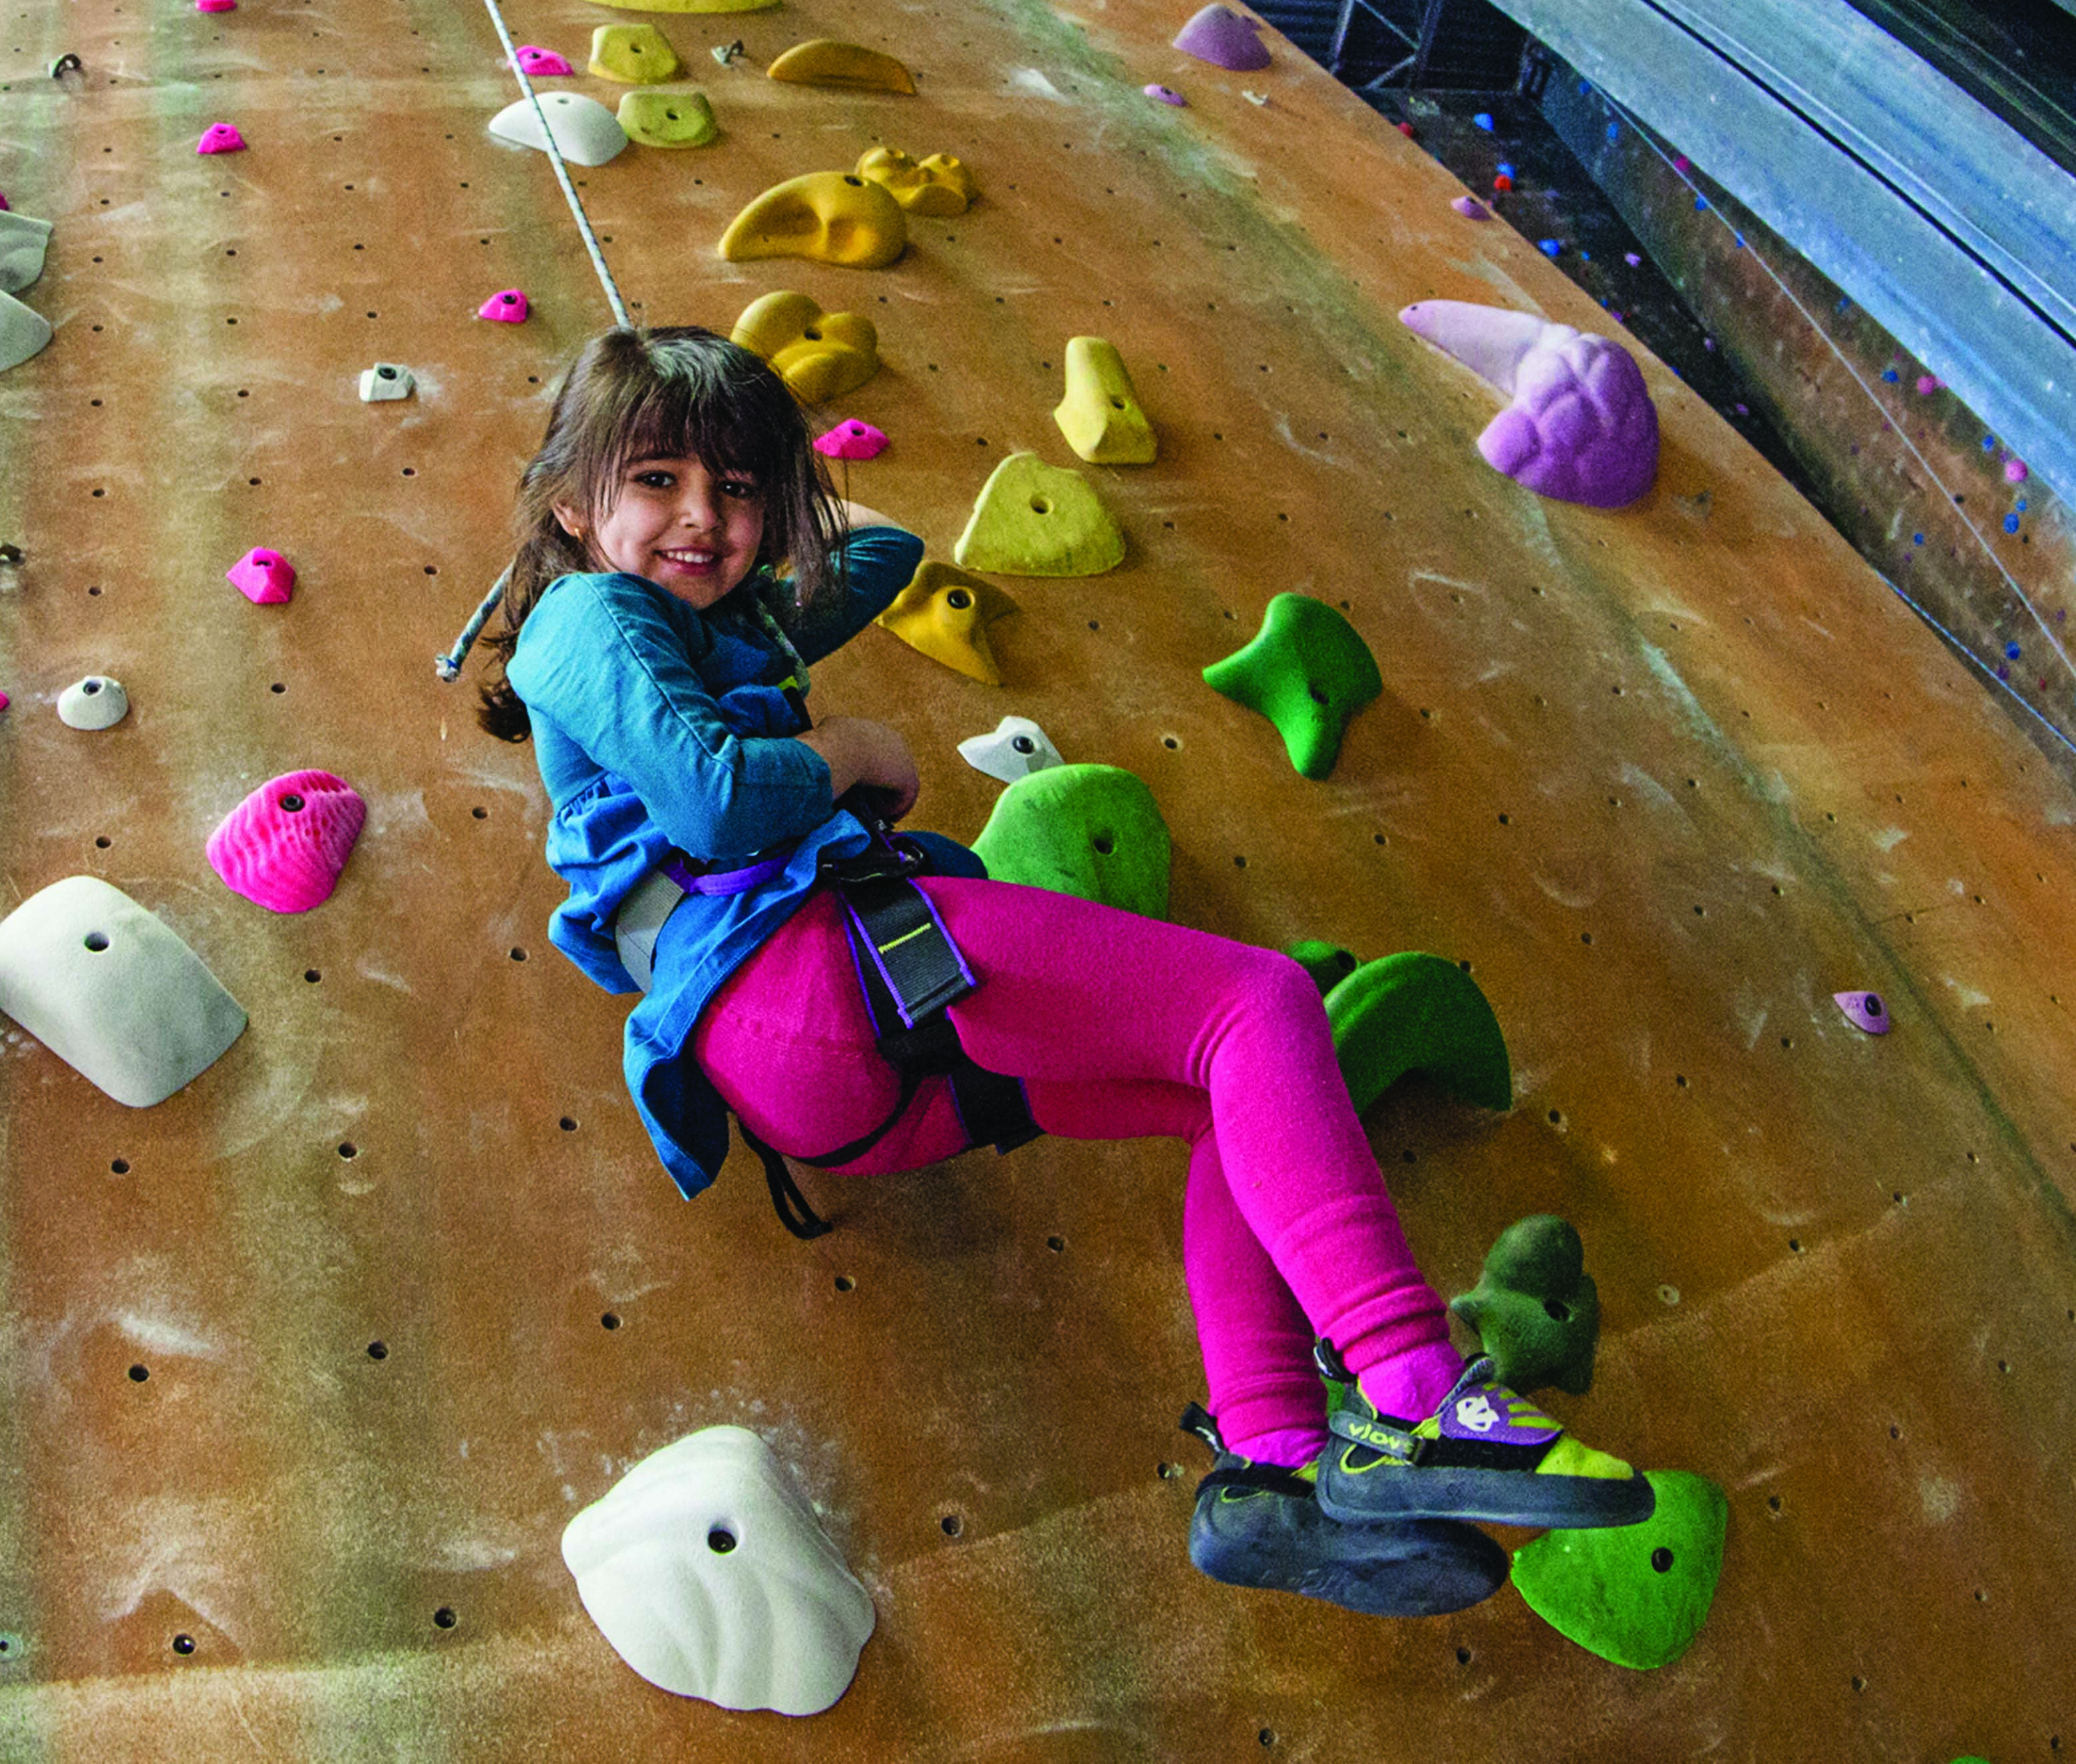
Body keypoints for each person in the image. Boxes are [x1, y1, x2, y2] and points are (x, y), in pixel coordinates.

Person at [440, 325, 1653, 1617]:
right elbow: (718, 800)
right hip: (808, 965)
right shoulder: (582, 611)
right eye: (658, 479)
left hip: (833, 1072)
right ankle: (1418, 1390)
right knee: (1257, 1005)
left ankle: (1274, 1459)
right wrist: (844, 746)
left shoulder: (694, 631)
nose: (705, 514)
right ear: (569, 503)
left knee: (1224, 1108)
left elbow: (880, 558)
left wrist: (751, 543)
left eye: (736, 488)